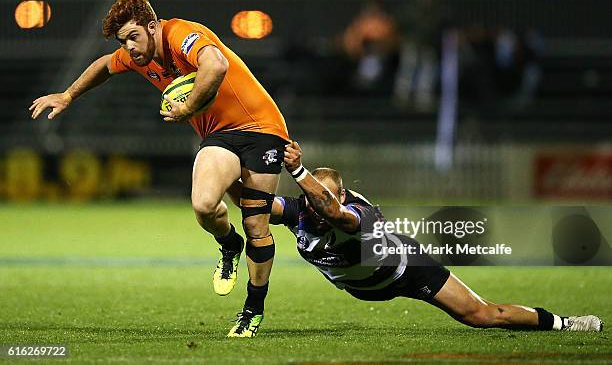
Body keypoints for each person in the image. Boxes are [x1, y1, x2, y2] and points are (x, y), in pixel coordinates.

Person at [28, 0, 289, 338]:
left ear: (152, 26)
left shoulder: (181, 34)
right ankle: (230, 244)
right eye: (124, 41)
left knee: (255, 220)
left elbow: (217, 65)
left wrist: (188, 108)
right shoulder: (138, 55)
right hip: (219, 135)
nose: (130, 48)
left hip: (261, 129)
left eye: (134, 36)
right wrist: (68, 95)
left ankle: (252, 310)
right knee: (205, 206)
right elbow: (104, 66)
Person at [229, 141, 603, 335]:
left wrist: (297, 168)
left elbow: (333, 213)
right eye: (309, 198)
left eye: (318, 196)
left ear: (340, 195)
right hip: (364, 287)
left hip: (407, 269)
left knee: (483, 315)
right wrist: (222, 164)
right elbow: (251, 201)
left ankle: (565, 323)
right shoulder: (301, 210)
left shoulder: (356, 215)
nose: (312, 203)